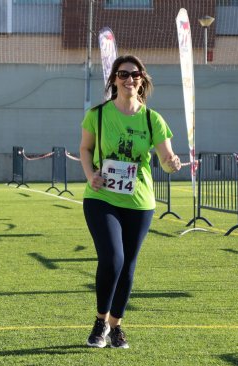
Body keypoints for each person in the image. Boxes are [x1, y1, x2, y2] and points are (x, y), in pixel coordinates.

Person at [79, 55, 181, 349]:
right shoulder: (97, 115)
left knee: (128, 266)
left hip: (139, 202)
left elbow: (165, 157)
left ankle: (116, 327)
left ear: (142, 80)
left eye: (134, 75)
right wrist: (90, 175)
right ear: (113, 80)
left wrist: (172, 163)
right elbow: (85, 149)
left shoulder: (153, 119)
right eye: (123, 74)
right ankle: (100, 322)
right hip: (102, 198)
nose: (129, 79)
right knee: (113, 258)